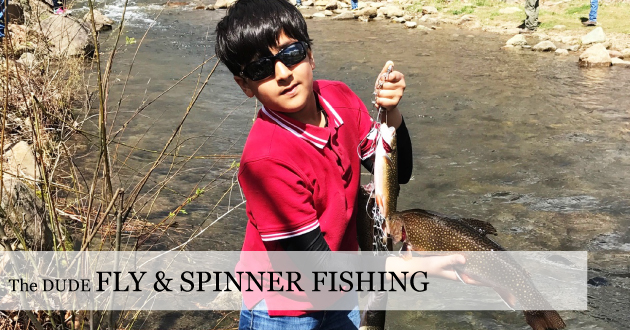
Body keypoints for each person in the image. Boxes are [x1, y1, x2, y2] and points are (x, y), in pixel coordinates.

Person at [215, 0, 473, 328]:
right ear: (245, 86)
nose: (282, 74)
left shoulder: (340, 98)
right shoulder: (266, 160)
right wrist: (409, 269)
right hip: (282, 307)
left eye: (290, 54)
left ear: (310, 54)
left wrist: (391, 113)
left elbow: (398, 173)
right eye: (260, 68)